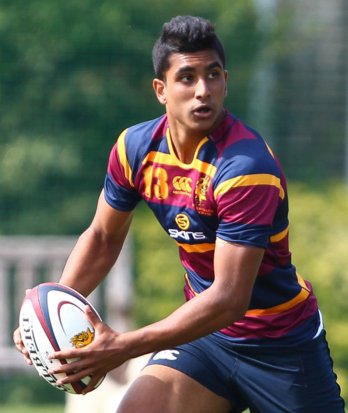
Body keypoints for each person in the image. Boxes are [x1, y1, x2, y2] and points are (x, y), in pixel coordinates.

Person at [14, 15, 345, 413]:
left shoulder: (245, 167)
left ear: (226, 80)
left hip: (280, 347)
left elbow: (228, 298)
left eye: (213, 74)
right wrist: (49, 315)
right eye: (187, 77)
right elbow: (103, 237)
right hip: (208, 341)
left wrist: (123, 346)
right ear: (161, 90)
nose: (203, 90)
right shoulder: (134, 149)